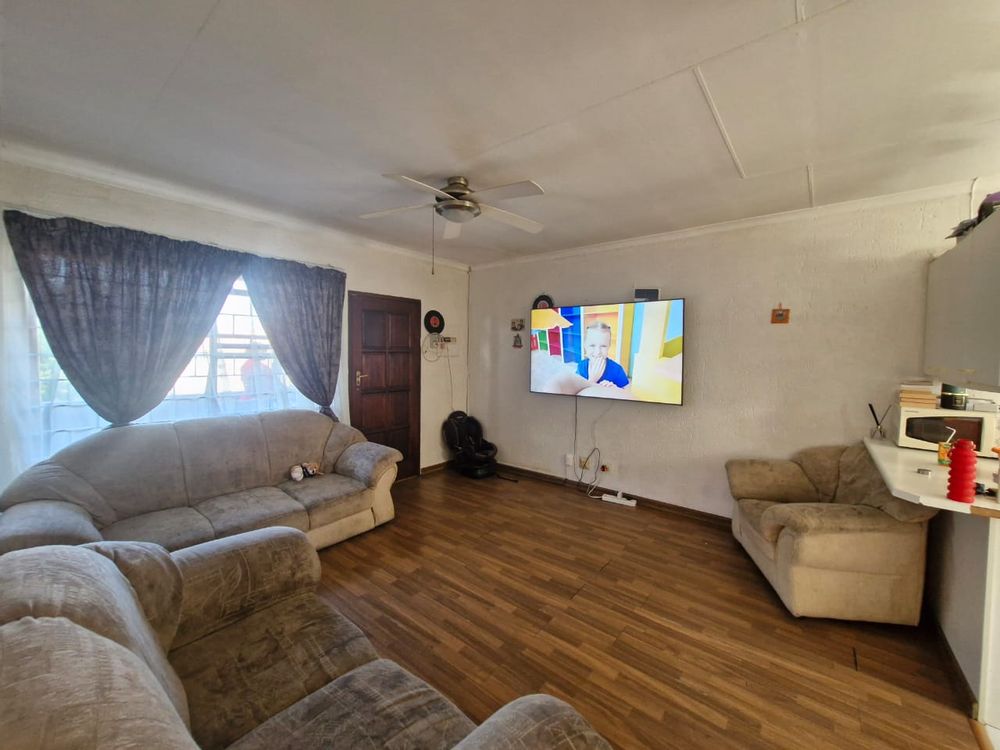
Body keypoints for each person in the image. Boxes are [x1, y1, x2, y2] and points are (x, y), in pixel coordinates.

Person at [576, 321, 629, 388]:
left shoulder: (617, 370)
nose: (598, 352)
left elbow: (625, 391)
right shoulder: (581, 366)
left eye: (603, 346)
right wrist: (592, 380)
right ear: (585, 346)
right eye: (592, 345)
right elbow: (578, 390)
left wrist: (616, 389)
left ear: (609, 346)